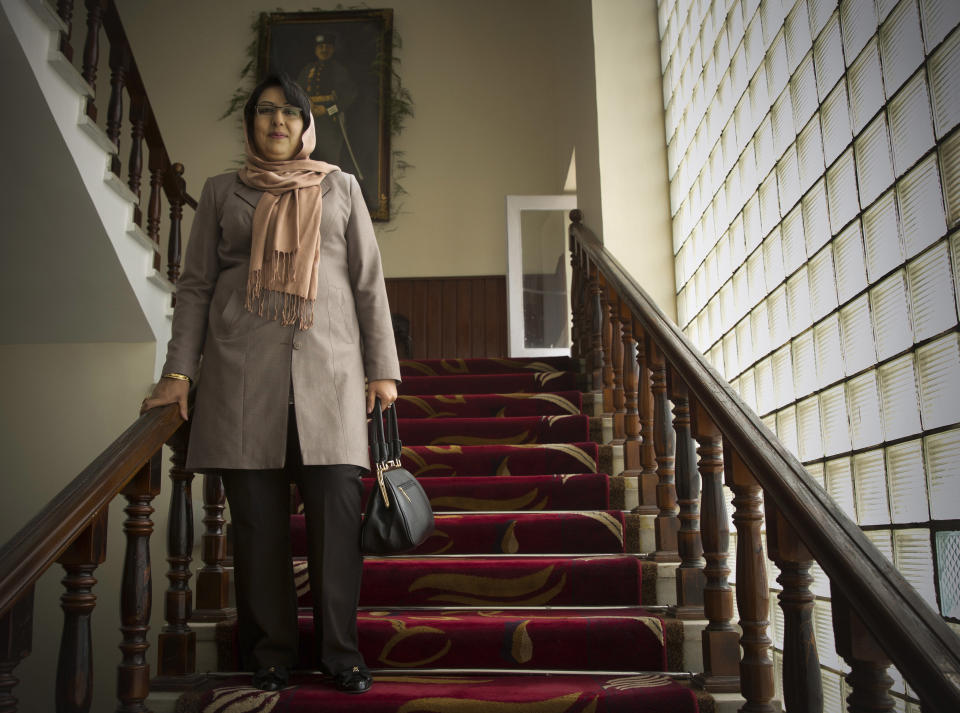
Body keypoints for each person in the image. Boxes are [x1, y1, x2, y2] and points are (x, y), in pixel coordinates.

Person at [141, 73, 399, 694]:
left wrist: (382, 369)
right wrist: (179, 373)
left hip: (331, 382)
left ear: (307, 124)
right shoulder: (221, 192)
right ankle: (270, 653)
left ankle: (340, 652)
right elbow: (197, 287)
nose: (276, 120)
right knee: (257, 531)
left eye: (289, 111)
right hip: (240, 382)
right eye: (264, 110)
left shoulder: (341, 187)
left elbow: (369, 281)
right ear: (251, 123)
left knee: (336, 526)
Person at [296, 33, 361, 174]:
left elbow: (349, 96)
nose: (324, 50)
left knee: (329, 160)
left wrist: (326, 110)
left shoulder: (339, 70)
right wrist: (310, 107)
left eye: (328, 47)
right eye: (320, 47)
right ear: (315, 50)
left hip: (330, 123)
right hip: (309, 121)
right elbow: (297, 92)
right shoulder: (308, 70)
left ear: (332, 50)